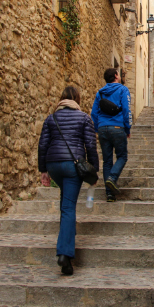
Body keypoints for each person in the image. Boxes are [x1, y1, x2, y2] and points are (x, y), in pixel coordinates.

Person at [38, 86, 98, 276]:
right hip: (73, 166)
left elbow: (43, 145)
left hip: (54, 165)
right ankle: (64, 254)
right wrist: (94, 170)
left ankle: (67, 242)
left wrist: (43, 171)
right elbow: (90, 145)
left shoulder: (51, 118)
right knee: (69, 207)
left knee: (66, 202)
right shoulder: (84, 118)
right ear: (77, 99)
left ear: (62, 99)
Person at [91, 68, 132, 202]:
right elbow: (126, 110)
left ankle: (109, 194)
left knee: (107, 160)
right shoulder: (123, 90)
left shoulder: (100, 92)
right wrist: (127, 128)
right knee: (122, 156)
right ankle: (112, 178)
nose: (119, 75)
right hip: (117, 126)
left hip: (103, 128)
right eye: (118, 74)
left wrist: (99, 128)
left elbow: (94, 113)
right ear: (115, 76)